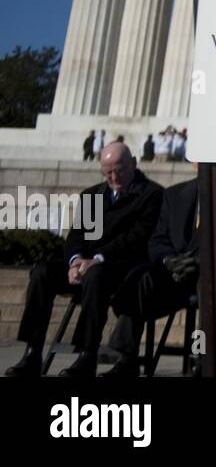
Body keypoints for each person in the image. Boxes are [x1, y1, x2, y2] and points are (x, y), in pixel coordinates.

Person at [4, 143, 163, 378]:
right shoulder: (94, 196)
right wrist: (75, 261)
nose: (114, 177)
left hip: (123, 269)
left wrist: (97, 259)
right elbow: (78, 236)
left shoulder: (151, 194)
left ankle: (87, 355)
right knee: (42, 272)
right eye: (108, 172)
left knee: (96, 276)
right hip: (87, 266)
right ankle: (31, 352)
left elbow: (136, 237)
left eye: (119, 170)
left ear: (134, 163)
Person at [101, 178, 200, 378]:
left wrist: (198, 263)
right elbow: (158, 240)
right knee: (140, 278)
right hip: (173, 273)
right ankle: (127, 358)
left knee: (211, 291)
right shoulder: (173, 194)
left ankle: (203, 358)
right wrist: (168, 261)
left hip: (207, 275)